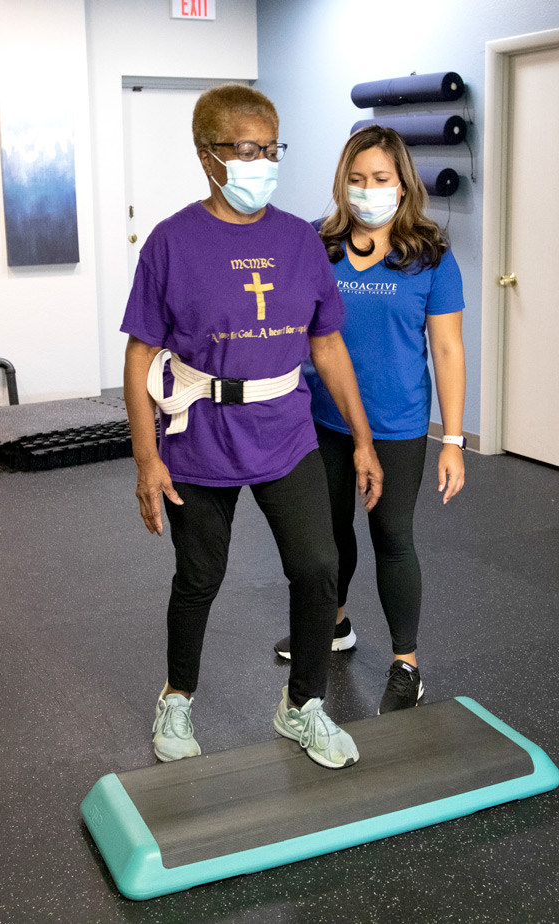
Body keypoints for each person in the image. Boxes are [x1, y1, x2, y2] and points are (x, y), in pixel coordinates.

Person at [121, 86, 383, 769]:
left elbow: (326, 345)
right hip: (200, 436)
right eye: (246, 149)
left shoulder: (299, 240)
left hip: (286, 431)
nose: (261, 162)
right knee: (200, 576)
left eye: (270, 148)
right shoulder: (172, 242)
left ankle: (304, 706)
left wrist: (360, 438)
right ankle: (177, 696)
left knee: (318, 566)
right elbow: (140, 353)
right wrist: (146, 459)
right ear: (208, 156)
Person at [275, 125, 466, 715]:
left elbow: (449, 351)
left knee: (391, 538)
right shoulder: (317, 244)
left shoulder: (430, 255)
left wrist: (453, 440)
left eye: (381, 179)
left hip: (398, 425)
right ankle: (335, 625)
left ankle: (406, 663)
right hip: (322, 419)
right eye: (357, 180)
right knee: (328, 538)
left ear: (403, 184)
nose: (368, 190)